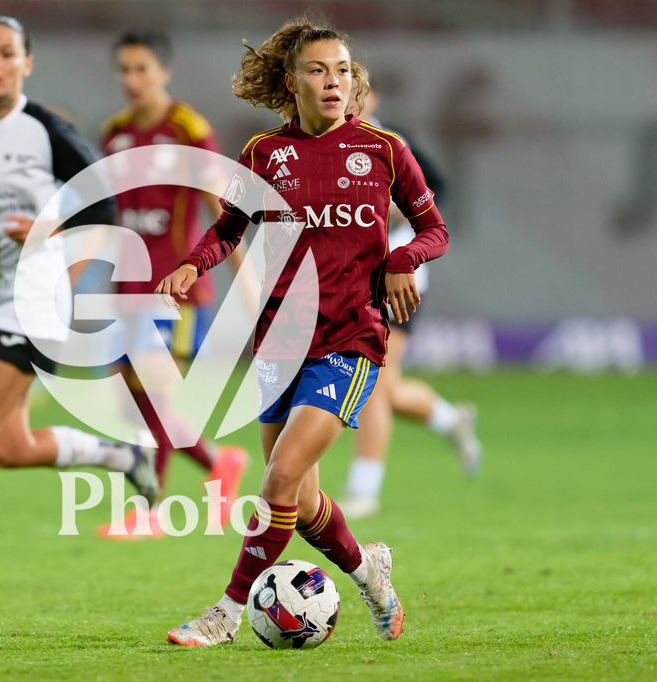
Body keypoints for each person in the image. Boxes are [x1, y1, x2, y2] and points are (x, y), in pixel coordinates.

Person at [155, 15, 448, 646]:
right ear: (291, 82)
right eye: (318, 69)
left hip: (352, 338)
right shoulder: (264, 155)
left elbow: (435, 231)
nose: (333, 81)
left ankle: (226, 614)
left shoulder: (384, 150)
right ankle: (370, 573)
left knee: (281, 476)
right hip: (280, 342)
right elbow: (228, 229)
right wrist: (191, 264)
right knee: (305, 505)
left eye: (343, 69)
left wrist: (402, 258)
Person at [0, 15, 158, 598]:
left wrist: (47, 226)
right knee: (8, 447)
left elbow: (104, 206)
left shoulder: (45, 131)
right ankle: (115, 455)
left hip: (34, 302)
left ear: (26, 65)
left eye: (6, 53)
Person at [94, 30, 248, 538]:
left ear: (164, 72)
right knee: (132, 402)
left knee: (157, 399)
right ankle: (218, 462)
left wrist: (245, 281)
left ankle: (151, 511)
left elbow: (220, 212)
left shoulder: (187, 129)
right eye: (124, 70)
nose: (131, 80)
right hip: (126, 292)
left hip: (176, 294)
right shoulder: (113, 133)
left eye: (142, 69)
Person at [340, 86, 482, 521]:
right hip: (346, 280)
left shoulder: (393, 143)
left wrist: (403, 213)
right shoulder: (320, 146)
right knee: (380, 385)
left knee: (376, 383)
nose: (345, 101)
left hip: (398, 279)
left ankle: (363, 491)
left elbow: (435, 187)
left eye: (354, 93)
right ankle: (447, 418)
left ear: (373, 99)